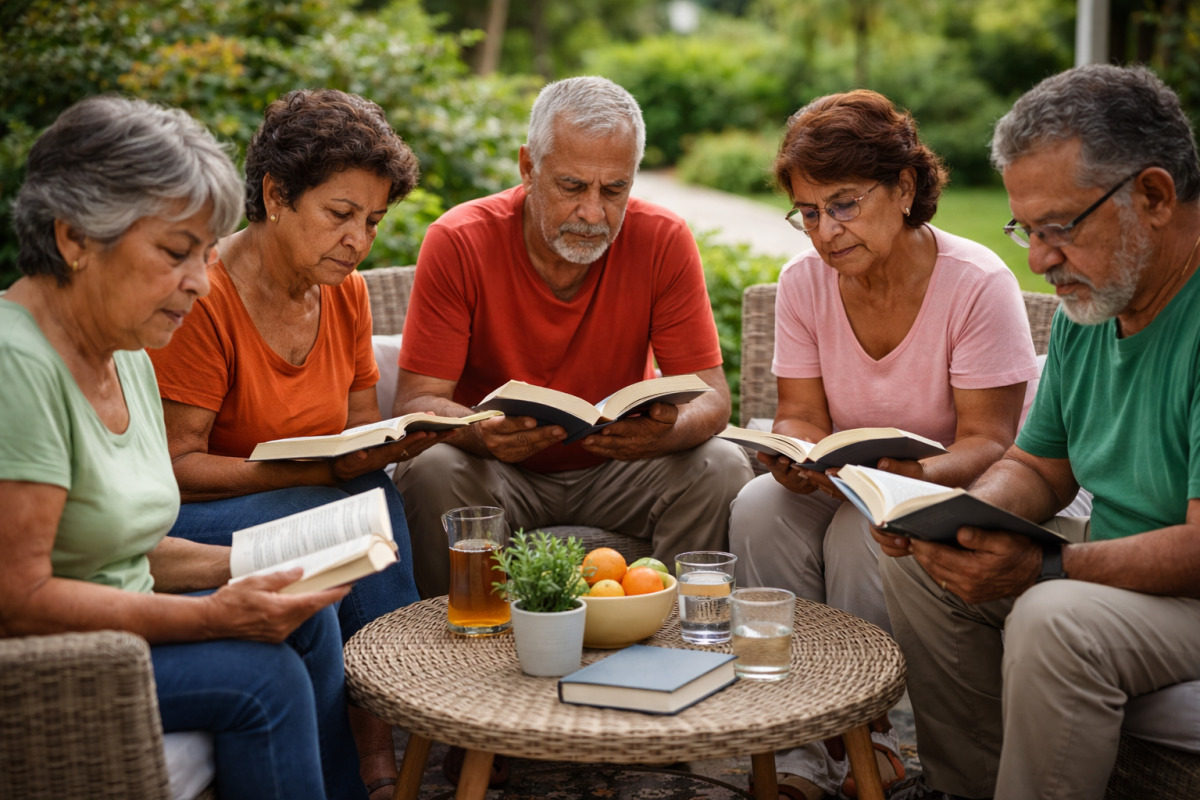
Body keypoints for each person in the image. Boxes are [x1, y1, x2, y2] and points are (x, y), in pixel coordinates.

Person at [0, 95, 366, 800]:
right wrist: (210, 614)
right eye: (175, 253)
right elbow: (20, 597)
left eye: (204, 254)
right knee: (266, 682)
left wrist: (261, 565)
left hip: (117, 629)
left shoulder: (125, 345)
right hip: (50, 661)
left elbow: (127, 548)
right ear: (75, 237)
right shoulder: (18, 366)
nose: (200, 282)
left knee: (311, 610)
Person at [873, 64, 1200, 800]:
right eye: (1027, 229)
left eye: (1060, 228)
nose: (1040, 259)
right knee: (922, 565)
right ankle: (970, 788)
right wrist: (964, 519)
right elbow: (1041, 465)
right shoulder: (1100, 296)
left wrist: (1045, 569)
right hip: (1127, 565)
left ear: (1152, 195)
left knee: (1056, 616)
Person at [726, 90, 1041, 800]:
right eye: (807, 212)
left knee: (856, 533)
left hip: (948, 486)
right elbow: (801, 412)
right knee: (755, 505)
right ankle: (796, 741)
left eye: (842, 204)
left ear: (904, 189)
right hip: (848, 480)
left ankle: (866, 736)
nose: (824, 232)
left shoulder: (977, 281)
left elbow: (992, 443)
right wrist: (792, 452)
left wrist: (908, 471)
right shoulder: (803, 282)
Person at [147, 88, 432, 798]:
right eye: (340, 215)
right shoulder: (205, 295)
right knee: (338, 505)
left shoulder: (347, 292)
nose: (359, 241)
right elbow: (174, 469)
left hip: (310, 494)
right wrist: (309, 469)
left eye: (373, 221)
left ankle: (380, 756)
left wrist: (395, 443)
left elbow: (362, 430)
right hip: (195, 513)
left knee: (365, 491)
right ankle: (390, 733)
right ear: (276, 195)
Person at [392, 75, 753, 599]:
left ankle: (676, 635)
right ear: (528, 167)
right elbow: (419, 401)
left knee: (719, 465)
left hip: (621, 467)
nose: (593, 213)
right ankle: (458, 645)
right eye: (571, 186)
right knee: (433, 468)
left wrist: (665, 431)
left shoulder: (663, 239)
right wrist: (478, 431)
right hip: (496, 470)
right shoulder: (459, 239)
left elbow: (713, 398)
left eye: (614, 190)